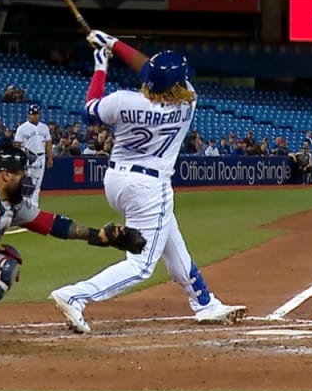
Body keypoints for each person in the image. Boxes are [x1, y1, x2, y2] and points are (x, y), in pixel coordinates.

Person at [49, 30, 247, 333]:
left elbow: (89, 110)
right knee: (141, 264)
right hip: (150, 187)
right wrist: (116, 43)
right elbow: (148, 68)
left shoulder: (122, 101)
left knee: (171, 240)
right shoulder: (187, 103)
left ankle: (205, 303)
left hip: (116, 180)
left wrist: (101, 64)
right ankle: (76, 295)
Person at [0, 147, 145, 352]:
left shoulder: (6, 201)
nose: (26, 177)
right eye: (22, 172)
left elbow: (52, 224)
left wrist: (98, 237)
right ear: (5, 175)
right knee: (2, 267)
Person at [13, 103, 52, 209]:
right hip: (28, 158)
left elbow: (48, 143)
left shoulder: (44, 127)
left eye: (36, 114)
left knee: (38, 182)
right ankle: (25, 204)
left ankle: (34, 205)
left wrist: (50, 157)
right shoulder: (22, 128)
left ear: (39, 114)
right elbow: (17, 145)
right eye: (32, 114)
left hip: (41, 157)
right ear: (28, 115)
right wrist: (19, 159)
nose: (34, 116)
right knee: (27, 182)